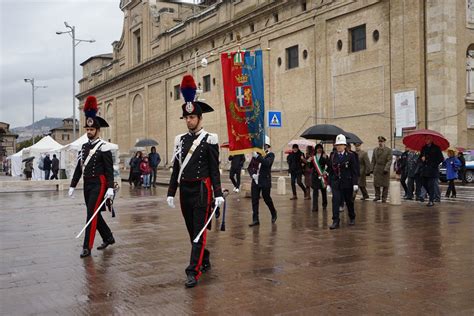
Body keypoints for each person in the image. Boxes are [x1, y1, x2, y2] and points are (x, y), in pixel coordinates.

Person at [166, 75, 224, 288]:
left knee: (199, 230)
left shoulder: (210, 139)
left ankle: (193, 271)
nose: (189, 120)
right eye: (186, 117)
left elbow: (214, 169)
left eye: (192, 117)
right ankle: (204, 257)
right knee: (193, 231)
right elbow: (177, 168)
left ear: (200, 118)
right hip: (185, 190)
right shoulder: (179, 140)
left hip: (202, 190)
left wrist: (218, 194)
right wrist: (171, 191)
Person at [69, 96, 116, 258]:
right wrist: (73, 184)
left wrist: (110, 187)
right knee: (94, 212)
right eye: (87, 130)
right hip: (87, 183)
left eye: (91, 130)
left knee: (91, 214)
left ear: (97, 130)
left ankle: (86, 247)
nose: (89, 132)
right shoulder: (84, 146)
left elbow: (109, 170)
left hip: (99, 183)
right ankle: (108, 237)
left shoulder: (104, 147)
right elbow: (79, 167)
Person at [326, 134, 358, 229]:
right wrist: (328, 184)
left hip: (347, 183)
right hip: (336, 183)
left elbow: (354, 171)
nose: (339, 147)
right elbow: (330, 171)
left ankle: (352, 217)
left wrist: (355, 183)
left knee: (349, 201)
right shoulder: (332, 156)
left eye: (341, 145)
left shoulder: (351, 156)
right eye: (337, 145)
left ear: (345, 145)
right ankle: (335, 221)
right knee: (335, 201)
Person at [248, 136, 277, 226]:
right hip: (255, 180)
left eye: (265, 146)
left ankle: (273, 212)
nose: (263, 147)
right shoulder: (257, 154)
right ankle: (255, 219)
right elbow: (250, 167)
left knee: (266, 198)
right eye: (262, 146)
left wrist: (257, 157)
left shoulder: (270, 155)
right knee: (254, 200)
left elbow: (267, 163)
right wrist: (253, 174)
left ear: (268, 146)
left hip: (265, 180)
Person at [419, 136, 444, 206]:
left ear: (431, 140)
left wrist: (433, 164)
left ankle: (431, 201)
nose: (426, 140)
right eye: (426, 139)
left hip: (432, 170)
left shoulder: (436, 148)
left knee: (431, 185)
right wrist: (422, 159)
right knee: (424, 183)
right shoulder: (423, 148)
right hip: (424, 169)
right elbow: (420, 157)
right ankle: (431, 196)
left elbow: (441, 159)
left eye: (428, 139)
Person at [371, 136, 392, 203]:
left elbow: (389, 160)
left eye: (381, 142)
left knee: (385, 185)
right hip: (377, 168)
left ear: (384, 142)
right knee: (376, 184)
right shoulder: (375, 150)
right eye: (379, 141)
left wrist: (386, 168)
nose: (380, 143)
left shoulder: (388, 150)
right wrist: (371, 169)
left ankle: (384, 197)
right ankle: (377, 196)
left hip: (384, 169)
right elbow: (373, 160)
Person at [308, 144, 328, 212]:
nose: (319, 149)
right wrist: (309, 161)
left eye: (320, 148)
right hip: (315, 176)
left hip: (322, 176)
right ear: (316, 149)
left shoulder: (325, 156)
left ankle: (324, 204)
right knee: (315, 192)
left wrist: (326, 159)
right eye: (318, 148)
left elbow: (328, 165)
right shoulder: (313, 157)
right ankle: (315, 207)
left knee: (323, 191)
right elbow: (310, 166)